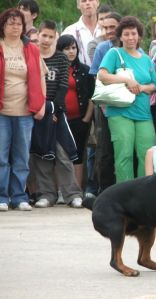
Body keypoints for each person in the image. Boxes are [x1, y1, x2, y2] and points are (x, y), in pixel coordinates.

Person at [97, 16, 156, 182]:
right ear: (120, 36)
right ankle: (125, 197)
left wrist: (142, 88)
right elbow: (102, 75)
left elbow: (154, 84)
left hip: (143, 113)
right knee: (124, 155)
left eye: (134, 33)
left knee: (147, 154)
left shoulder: (146, 59)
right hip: (119, 112)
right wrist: (126, 80)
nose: (131, 37)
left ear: (139, 36)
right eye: (127, 34)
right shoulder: (114, 53)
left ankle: (143, 195)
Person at [31, 20, 83, 209]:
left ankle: (72, 194)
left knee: (63, 154)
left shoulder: (61, 58)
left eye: (51, 37)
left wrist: (55, 110)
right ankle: (47, 194)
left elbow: (62, 86)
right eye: (44, 35)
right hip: (37, 112)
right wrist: (40, 109)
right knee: (41, 153)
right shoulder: (32, 55)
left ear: (55, 38)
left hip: (56, 112)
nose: (46, 40)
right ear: (38, 35)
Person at [0, 8, 46, 212]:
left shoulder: (31, 49)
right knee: (1, 157)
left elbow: (41, 77)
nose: (15, 27)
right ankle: (2, 197)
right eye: (11, 23)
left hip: (26, 112)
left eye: (19, 23)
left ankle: (19, 196)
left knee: (21, 157)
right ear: (3, 26)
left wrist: (42, 104)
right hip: (2, 111)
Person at [56, 34, 95, 188]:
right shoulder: (54, 68)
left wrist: (86, 118)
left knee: (78, 154)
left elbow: (92, 96)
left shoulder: (85, 70)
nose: (71, 51)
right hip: (59, 118)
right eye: (67, 48)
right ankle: (61, 191)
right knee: (59, 154)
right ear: (60, 50)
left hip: (79, 119)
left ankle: (76, 190)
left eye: (73, 48)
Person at [89, 12, 121, 195]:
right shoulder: (103, 48)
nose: (109, 31)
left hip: (129, 106)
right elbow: (96, 77)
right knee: (104, 150)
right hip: (105, 106)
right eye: (105, 27)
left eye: (112, 27)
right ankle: (105, 190)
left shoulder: (134, 48)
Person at [62, 0, 102, 66]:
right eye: (83, 1)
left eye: (91, 0)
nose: (87, 3)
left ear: (98, 2)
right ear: (78, 5)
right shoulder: (69, 31)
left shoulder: (107, 29)